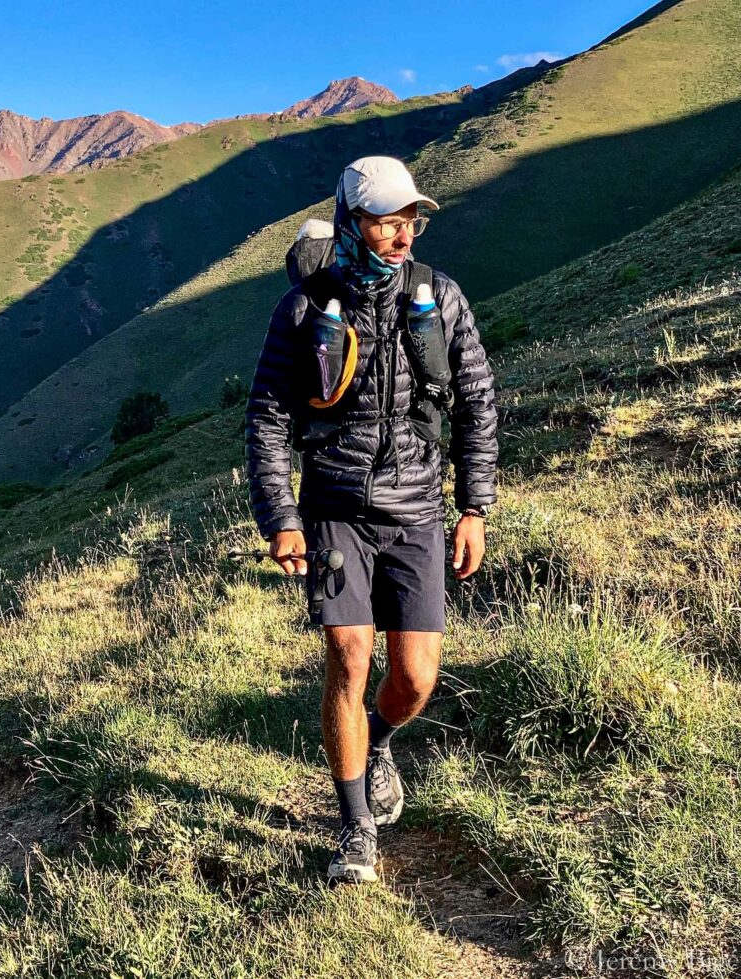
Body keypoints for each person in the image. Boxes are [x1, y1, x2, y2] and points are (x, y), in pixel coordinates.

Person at [244, 156, 498, 884]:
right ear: (353, 220)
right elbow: (266, 418)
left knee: (415, 679)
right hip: (334, 510)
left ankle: (378, 741)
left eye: (409, 218)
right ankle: (355, 827)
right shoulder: (304, 310)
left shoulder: (440, 297)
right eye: (386, 219)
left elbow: (478, 403)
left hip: (417, 509)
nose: (400, 233)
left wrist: (474, 506)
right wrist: (281, 517)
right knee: (350, 656)